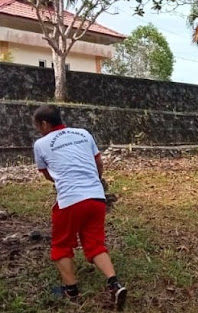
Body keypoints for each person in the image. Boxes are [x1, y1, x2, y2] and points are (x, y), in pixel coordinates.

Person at [32, 105, 126, 310]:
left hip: (69, 201)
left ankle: (71, 289)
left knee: (61, 245)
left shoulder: (41, 144)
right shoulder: (83, 133)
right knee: (95, 244)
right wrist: (94, 181)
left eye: (38, 126)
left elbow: (48, 174)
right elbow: (98, 163)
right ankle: (114, 283)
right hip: (96, 198)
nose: (39, 130)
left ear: (45, 124)